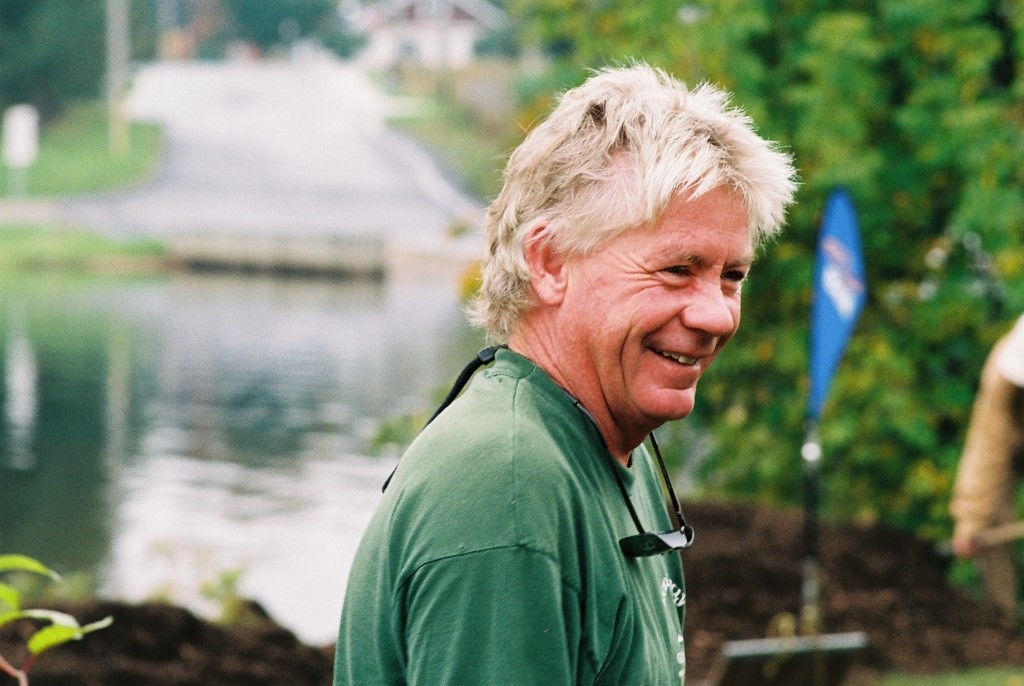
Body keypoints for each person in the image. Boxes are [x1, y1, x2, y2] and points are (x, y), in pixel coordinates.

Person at [334, 62, 797, 685]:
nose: (716, 314)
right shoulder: (509, 487)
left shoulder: (612, 452)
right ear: (550, 262)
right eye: (677, 270)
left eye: (732, 276)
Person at [950, 314, 1024, 620]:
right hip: (1015, 436)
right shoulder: (1004, 376)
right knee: (989, 518)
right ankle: (1003, 626)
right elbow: (987, 451)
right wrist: (971, 520)